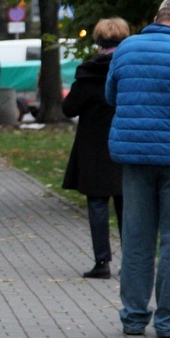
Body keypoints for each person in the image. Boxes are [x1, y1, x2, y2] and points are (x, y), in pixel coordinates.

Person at [106, 0, 170, 338]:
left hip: (134, 157)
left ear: (158, 18)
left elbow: (112, 95)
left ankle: (134, 318)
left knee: (137, 238)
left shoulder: (126, 48)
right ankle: (169, 323)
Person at [62, 18, 129, 280]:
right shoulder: (129, 69)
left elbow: (69, 109)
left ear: (98, 40)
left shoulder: (88, 72)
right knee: (127, 205)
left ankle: (102, 261)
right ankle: (131, 263)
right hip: (125, 143)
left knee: (98, 204)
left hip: (93, 147)